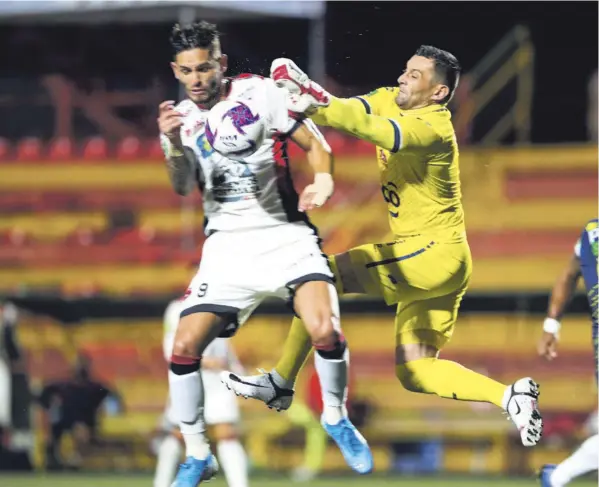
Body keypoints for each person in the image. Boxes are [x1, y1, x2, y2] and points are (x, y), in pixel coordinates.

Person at [222, 47, 543, 448]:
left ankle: (281, 382)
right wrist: (304, 98)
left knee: (320, 277)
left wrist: (310, 96)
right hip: (443, 261)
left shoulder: (435, 128)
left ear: (439, 93)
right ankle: (508, 396)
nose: (404, 78)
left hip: (431, 254)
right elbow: (344, 110)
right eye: (405, 70)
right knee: (416, 369)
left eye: (415, 75)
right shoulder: (391, 96)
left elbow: (374, 130)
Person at [157, 21, 372, 486]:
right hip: (227, 250)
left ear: (222, 64)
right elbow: (180, 185)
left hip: (286, 236)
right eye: (188, 71)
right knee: (183, 347)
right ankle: (198, 454)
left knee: (325, 330)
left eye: (206, 67)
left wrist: (324, 178)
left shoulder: (262, 94)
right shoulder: (178, 119)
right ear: (177, 71)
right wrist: (173, 144)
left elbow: (315, 144)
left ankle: (335, 416)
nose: (198, 79)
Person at [153, 299, 248, 487]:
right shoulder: (177, 308)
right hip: (191, 376)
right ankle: (160, 483)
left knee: (227, 433)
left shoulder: (225, 301)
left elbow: (225, 345)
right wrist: (207, 361)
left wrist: (239, 374)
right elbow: (171, 349)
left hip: (218, 381)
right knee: (178, 435)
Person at [538, 218, 598, 486]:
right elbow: (570, 274)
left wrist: (552, 325)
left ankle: (559, 475)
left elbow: (569, 274)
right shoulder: (591, 234)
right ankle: (561, 475)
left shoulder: (591, 233)